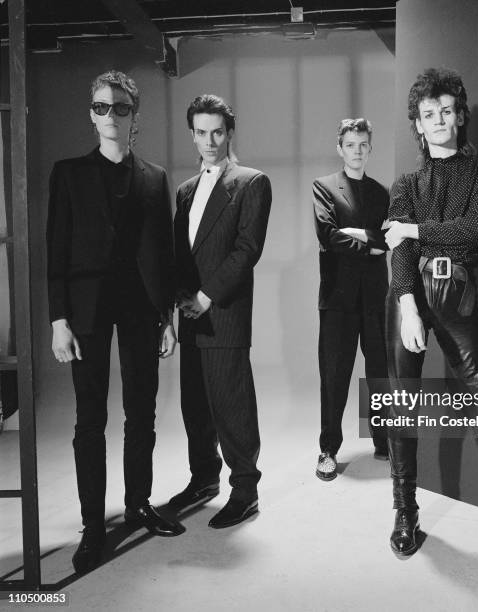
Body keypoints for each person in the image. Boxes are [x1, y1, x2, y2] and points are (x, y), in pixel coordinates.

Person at [383, 68, 478, 556]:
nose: (438, 120)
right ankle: (405, 516)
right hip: (409, 299)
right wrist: (406, 306)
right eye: (428, 114)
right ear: (417, 125)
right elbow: (397, 251)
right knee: (402, 408)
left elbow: (471, 231)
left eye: (446, 110)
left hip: (457, 294)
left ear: (459, 116)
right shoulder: (405, 183)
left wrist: (412, 231)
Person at [47, 70, 182, 574]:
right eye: (101, 107)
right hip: (86, 311)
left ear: (134, 116)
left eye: (119, 108)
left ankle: (140, 504)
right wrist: (59, 319)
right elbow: (54, 248)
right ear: (91, 114)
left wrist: (167, 316)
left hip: (142, 308)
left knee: (141, 413)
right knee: (89, 419)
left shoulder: (154, 176)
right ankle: (92, 527)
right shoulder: (68, 173)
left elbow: (165, 254)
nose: (110, 115)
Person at [169, 94, 272, 528]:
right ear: (192, 134)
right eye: (201, 132)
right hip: (189, 314)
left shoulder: (252, 182)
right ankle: (203, 479)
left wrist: (206, 296)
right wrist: (178, 302)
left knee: (232, 406)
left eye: (217, 132)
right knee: (195, 405)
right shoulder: (185, 190)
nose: (209, 141)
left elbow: (247, 250)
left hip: (223, 312)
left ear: (229, 133)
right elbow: (178, 255)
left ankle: (245, 490)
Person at [312, 118, 390, 481]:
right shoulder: (324, 187)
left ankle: (383, 441)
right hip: (338, 300)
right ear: (339, 148)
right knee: (335, 376)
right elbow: (328, 236)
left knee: (378, 374)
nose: (357, 151)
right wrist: (368, 241)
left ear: (369, 148)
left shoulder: (381, 193)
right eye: (351, 145)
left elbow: (387, 240)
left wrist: (357, 234)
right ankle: (328, 449)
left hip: (375, 297)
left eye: (363, 145)